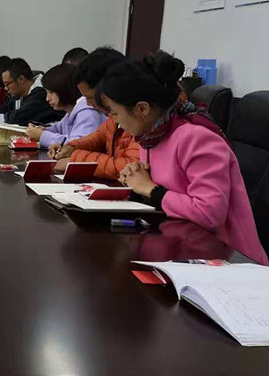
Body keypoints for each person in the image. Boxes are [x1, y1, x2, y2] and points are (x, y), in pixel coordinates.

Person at [101, 52, 268, 265]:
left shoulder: (198, 139)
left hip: (227, 259)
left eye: (115, 113)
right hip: (180, 245)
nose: (113, 121)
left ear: (142, 109)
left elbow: (209, 214)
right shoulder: (150, 137)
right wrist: (135, 180)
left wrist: (150, 189)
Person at [50, 47, 137, 179]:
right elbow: (97, 138)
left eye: (90, 97)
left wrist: (76, 159)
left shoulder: (138, 117)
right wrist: (70, 148)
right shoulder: (112, 116)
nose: (88, 103)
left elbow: (130, 167)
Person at [25, 63, 106, 147]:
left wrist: (42, 136)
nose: (47, 98)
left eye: (51, 92)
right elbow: (59, 129)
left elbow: (77, 145)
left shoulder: (87, 114)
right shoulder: (71, 113)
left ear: (64, 89)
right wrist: (42, 130)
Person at [0, 58, 63, 125]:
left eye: (7, 84)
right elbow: (7, 107)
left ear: (21, 79)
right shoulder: (20, 93)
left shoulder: (41, 92)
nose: (5, 88)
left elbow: (18, 117)